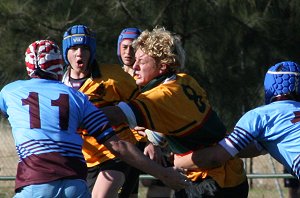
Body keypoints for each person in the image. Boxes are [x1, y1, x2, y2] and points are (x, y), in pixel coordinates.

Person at [6, 39, 188, 198]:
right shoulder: (77, 97)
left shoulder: (9, 92)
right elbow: (118, 145)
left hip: (34, 183)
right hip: (74, 183)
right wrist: (163, 173)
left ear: (27, 66)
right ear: (60, 62)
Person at [101, 27, 249, 197]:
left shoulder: (163, 95)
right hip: (229, 174)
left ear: (162, 66)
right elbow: (171, 126)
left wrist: (78, 112)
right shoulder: (185, 80)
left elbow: (114, 115)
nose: (134, 67)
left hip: (214, 179)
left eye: (141, 62)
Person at [61, 24, 172, 198]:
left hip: (118, 151)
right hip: (85, 158)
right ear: (65, 52)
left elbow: (144, 107)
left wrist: (151, 141)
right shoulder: (59, 85)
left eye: (84, 48)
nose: (79, 54)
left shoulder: (115, 78)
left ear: (92, 51)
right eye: (74, 48)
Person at [173, 61, 300, 184]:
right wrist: (226, 143)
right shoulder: (274, 128)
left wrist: (178, 162)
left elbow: (216, 158)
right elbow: (253, 148)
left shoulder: (261, 116)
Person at [117, 27, 174, 198]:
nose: (128, 52)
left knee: (158, 183)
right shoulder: (113, 79)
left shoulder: (154, 81)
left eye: (133, 48)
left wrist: (152, 142)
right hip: (125, 143)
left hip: (152, 143)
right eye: (124, 47)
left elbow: (163, 113)